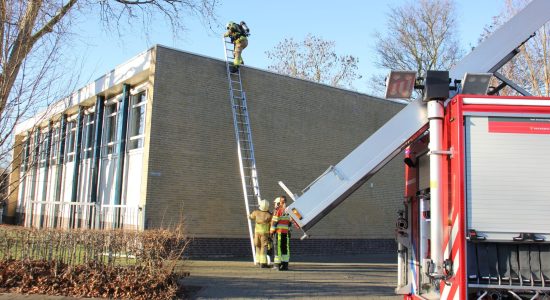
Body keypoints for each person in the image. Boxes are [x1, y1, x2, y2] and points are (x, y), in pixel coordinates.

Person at [270, 195, 291, 271]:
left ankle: (277, 265)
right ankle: (285, 266)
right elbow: (290, 222)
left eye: (276, 203)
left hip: (278, 233)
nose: (275, 204)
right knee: (285, 249)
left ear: (279, 203)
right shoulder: (288, 211)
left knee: (277, 248)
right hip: (286, 233)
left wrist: (271, 232)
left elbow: (274, 222)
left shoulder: (278, 210)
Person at [249, 199, 272, 268]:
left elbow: (250, 217)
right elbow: (272, 223)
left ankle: (258, 261)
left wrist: (249, 215)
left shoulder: (256, 212)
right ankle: (263, 263)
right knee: (263, 247)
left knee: (258, 246)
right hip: (265, 233)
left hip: (257, 233)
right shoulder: (269, 215)